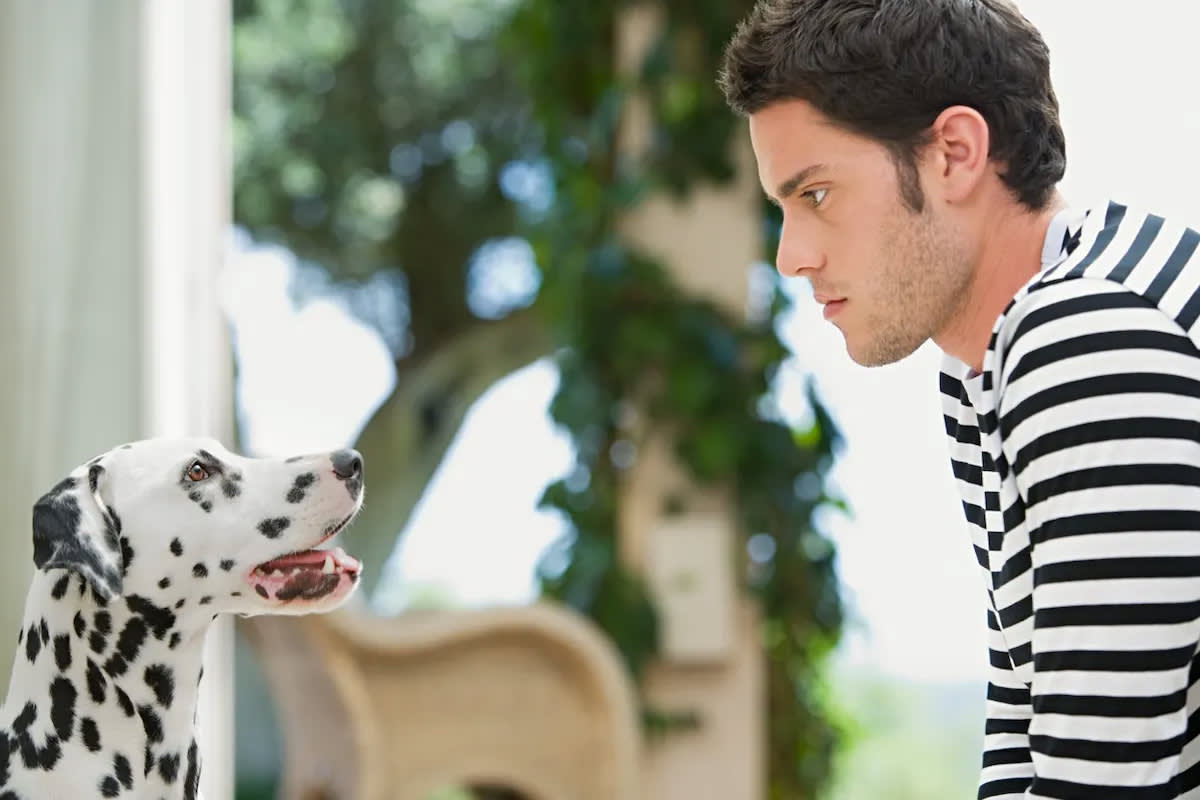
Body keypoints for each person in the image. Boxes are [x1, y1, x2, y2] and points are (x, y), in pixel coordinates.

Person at [720, 1, 1200, 798]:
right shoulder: (987, 359)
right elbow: (1031, 723)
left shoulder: (1087, 335)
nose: (792, 256)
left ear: (954, 152)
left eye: (817, 195)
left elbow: (1106, 783)